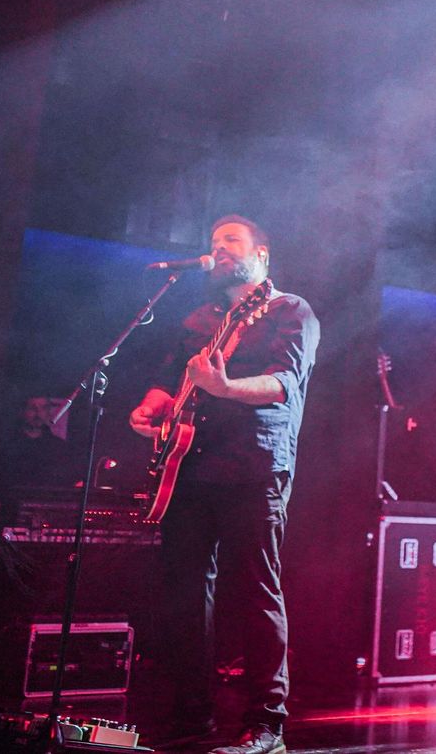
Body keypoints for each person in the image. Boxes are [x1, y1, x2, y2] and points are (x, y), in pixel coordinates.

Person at [128, 216, 319, 754]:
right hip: (190, 466)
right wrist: (152, 405)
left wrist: (227, 386)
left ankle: (267, 724)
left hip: (254, 465)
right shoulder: (201, 317)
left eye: (231, 241)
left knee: (255, 589)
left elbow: (284, 383)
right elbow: (171, 379)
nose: (219, 249)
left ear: (262, 252)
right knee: (185, 593)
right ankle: (192, 715)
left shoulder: (289, 311)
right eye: (213, 243)